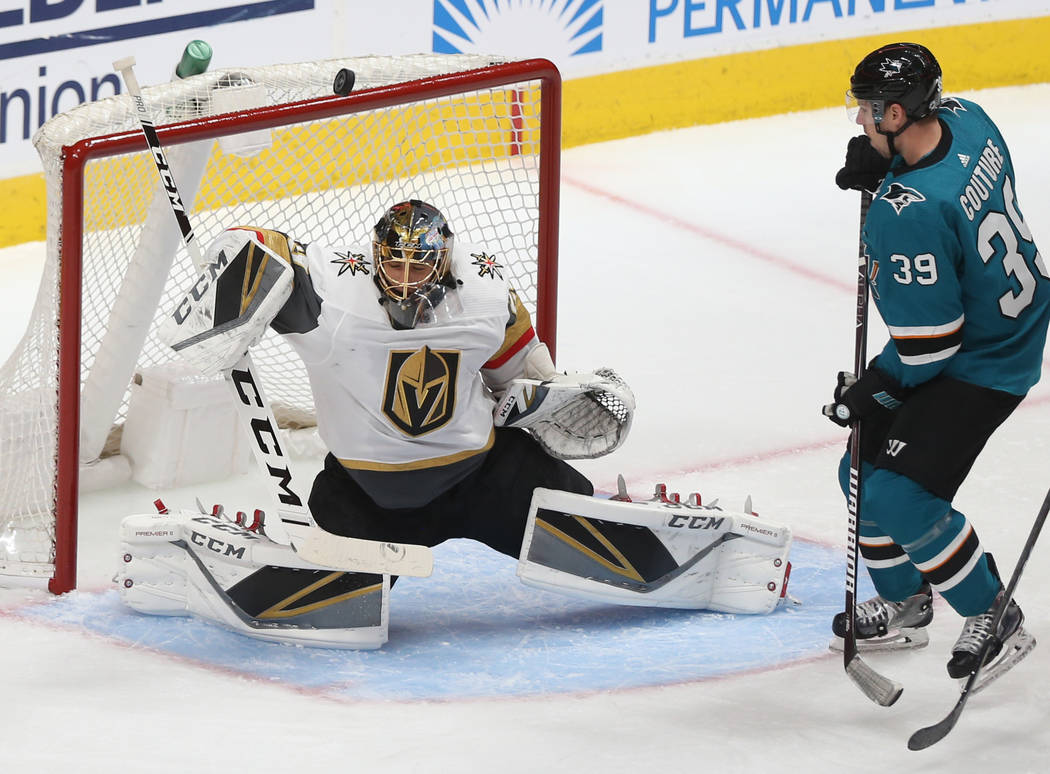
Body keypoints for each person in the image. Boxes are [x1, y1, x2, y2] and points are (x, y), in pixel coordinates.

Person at [117, 200, 793, 648]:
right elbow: (266, 246)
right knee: (337, 606)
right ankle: (207, 570)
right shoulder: (334, 298)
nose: (407, 277)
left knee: (580, 523)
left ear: (445, 258)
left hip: (481, 480)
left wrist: (547, 399)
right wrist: (235, 266)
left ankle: (710, 559)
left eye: (421, 262)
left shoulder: (488, 300)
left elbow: (524, 381)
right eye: (395, 261)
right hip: (368, 497)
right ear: (374, 255)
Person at [824, 42, 1046, 684]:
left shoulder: (908, 216)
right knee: (859, 475)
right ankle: (906, 601)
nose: (861, 123)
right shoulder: (971, 117)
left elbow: (929, 345)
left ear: (896, 114)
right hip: (1009, 316)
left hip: (985, 361)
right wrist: (887, 169)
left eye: (868, 113)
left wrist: (873, 391)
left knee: (900, 494)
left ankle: (991, 612)